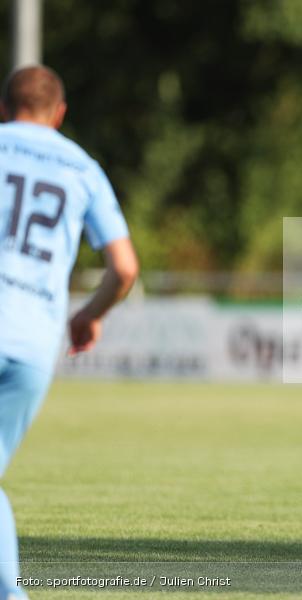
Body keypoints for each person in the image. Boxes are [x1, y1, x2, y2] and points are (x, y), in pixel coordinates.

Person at [0, 65, 138, 598]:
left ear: (5, 108)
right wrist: (89, 315)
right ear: (59, 114)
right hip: (34, 342)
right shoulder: (82, 166)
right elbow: (124, 268)